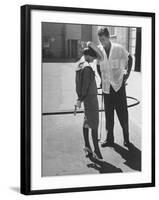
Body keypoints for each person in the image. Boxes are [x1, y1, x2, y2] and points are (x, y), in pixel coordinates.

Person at [96, 27, 133, 148]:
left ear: (108, 37)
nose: (102, 42)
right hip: (107, 88)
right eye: (100, 40)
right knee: (109, 115)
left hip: (118, 87)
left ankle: (126, 139)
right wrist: (102, 79)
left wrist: (127, 74)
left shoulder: (118, 48)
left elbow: (130, 58)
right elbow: (97, 66)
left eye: (103, 39)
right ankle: (110, 139)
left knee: (122, 114)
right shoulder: (99, 50)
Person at [75, 44, 103, 160]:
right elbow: (85, 86)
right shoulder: (86, 68)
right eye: (93, 57)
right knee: (94, 124)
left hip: (87, 99)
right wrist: (80, 99)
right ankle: (96, 150)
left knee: (86, 122)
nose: (94, 60)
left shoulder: (81, 64)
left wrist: (80, 98)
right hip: (90, 100)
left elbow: (79, 85)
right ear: (88, 56)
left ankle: (87, 146)